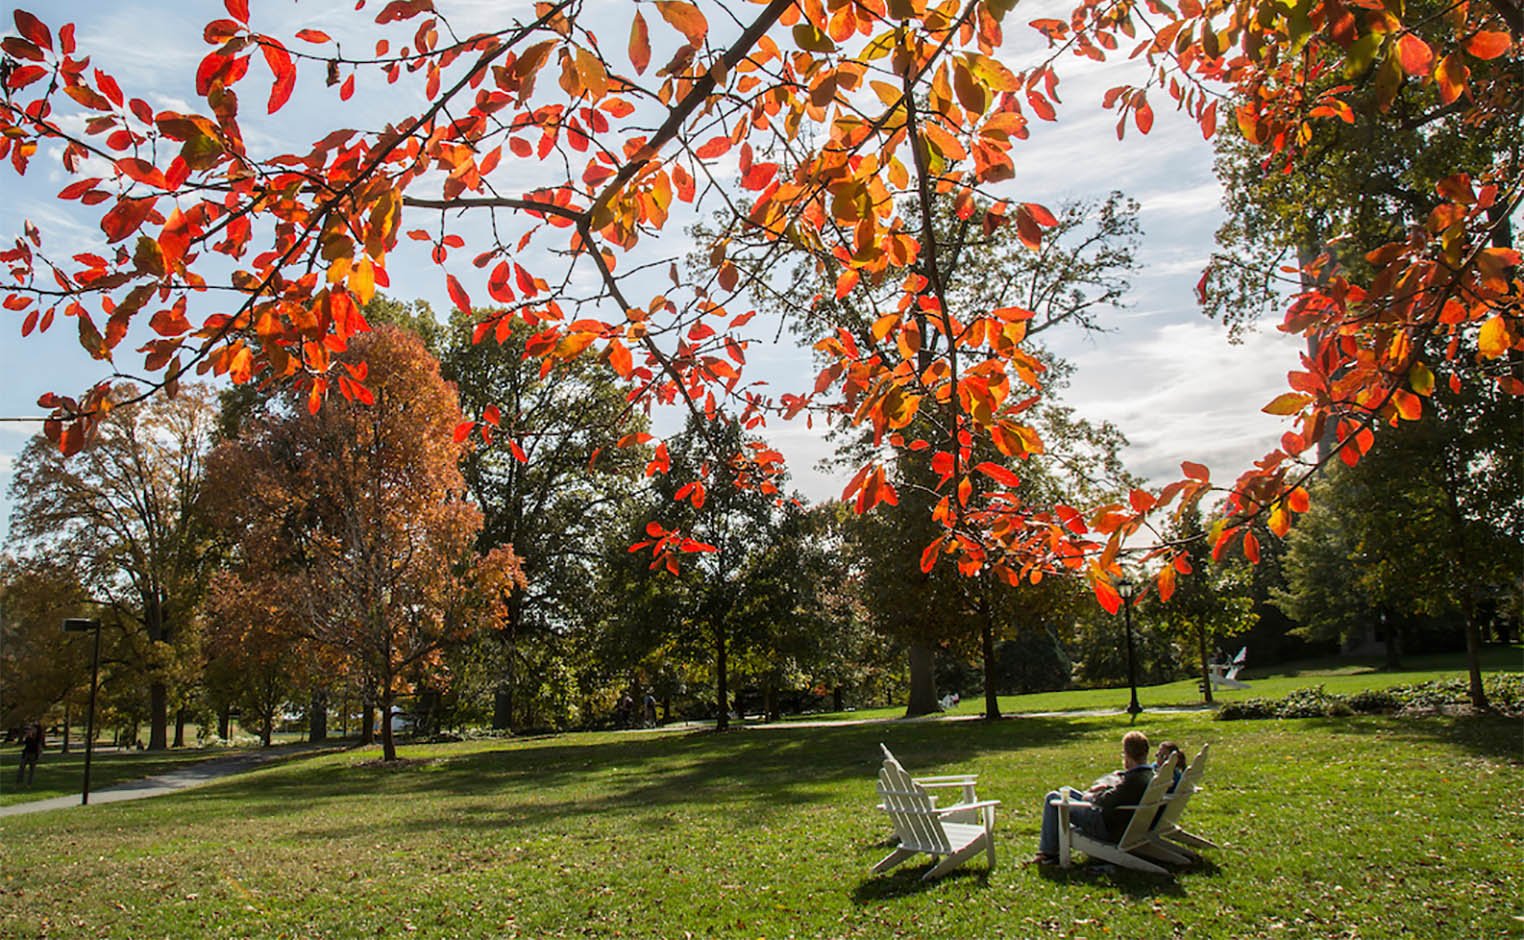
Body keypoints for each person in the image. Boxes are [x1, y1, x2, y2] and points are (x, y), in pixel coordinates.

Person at [1032, 730, 1155, 866]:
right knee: (1066, 791)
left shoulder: (1133, 780)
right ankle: (1052, 845)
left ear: (1127, 755)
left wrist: (1091, 796)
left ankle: (1048, 853)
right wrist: (1107, 788)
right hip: (1123, 821)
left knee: (1052, 798)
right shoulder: (1147, 775)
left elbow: (1104, 801)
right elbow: (1119, 796)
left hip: (1105, 825)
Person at [16, 722, 43, 786]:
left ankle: (29, 783)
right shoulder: (29, 736)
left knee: (32, 770)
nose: (32, 730)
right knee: (21, 767)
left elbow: (37, 746)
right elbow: (26, 744)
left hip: (33, 754)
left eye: (33, 728)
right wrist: (28, 737)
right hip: (26, 753)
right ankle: (19, 782)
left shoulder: (38, 737)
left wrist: (39, 754)